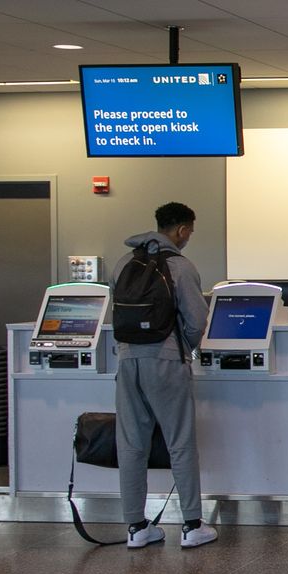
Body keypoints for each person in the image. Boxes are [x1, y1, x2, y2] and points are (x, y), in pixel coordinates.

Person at [114, 202, 214, 549]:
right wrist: (183, 349)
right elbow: (197, 320)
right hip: (166, 360)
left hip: (127, 361)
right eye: (190, 232)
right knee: (180, 442)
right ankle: (191, 526)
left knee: (130, 444)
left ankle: (136, 527)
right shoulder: (180, 267)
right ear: (182, 230)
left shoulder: (124, 262)